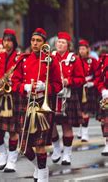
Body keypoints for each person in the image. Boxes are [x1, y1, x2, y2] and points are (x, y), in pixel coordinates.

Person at [11, 28, 62, 182]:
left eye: (38, 41)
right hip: (26, 103)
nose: (35, 43)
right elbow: (14, 83)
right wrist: (24, 87)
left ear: (44, 43)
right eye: (33, 40)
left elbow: (58, 85)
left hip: (42, 104)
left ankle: (43, 176)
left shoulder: (51, 60)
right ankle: (40, 168)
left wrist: (44, 87)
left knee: (40, 144)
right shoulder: (23, 59)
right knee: (24, 148)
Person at [0, 29, 21, 172]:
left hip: (13, 97)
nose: (6, 43)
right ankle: (3, 153)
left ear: (14, 43)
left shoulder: (19, 58)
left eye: (9, 41)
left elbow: (22, 77)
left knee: (13, 131)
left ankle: (12, 160)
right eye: (4, 40)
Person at [50, 32, 84, 165]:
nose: (60, 44)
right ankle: (57, 149)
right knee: (51, 124)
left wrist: (68, 81)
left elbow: (81, 79)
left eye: (63, 42)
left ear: (68, 46)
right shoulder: (51, 57)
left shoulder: (74, 59)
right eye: (58, 42)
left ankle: (67, 154)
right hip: (53, 96)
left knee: (66, 125)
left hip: (68, 96)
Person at [77, 39, 99, 141]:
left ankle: (85, 133)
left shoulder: (93, 61)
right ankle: (81, 130)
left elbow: (98, 75)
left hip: (88, 88)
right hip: (78, 87)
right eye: (80, 49)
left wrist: (93, 83)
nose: (81, 51)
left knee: (85, 110)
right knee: (79, 110)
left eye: (83, 49)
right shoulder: (76, 60)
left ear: (88, 50)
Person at [95, 50, 108, 156]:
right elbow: (98, 78)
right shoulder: (103, 59)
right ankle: (107, 143)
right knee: (105, 121)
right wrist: (103, 89)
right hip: (106, 94)